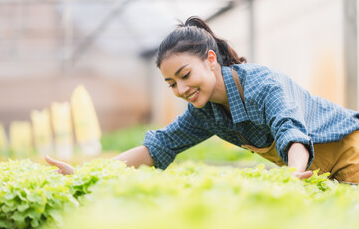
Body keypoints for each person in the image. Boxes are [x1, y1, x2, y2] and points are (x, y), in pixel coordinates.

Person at [46, 16, 359, 183]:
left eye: (184, 75)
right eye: (171, 84)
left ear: (211, 59)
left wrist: (292, 178)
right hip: (315, 174)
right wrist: (87, 174)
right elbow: (158, 147)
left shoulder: (263, 84)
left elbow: (290, 131)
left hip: (351, 151)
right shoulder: (205, 112)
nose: (181, 89)